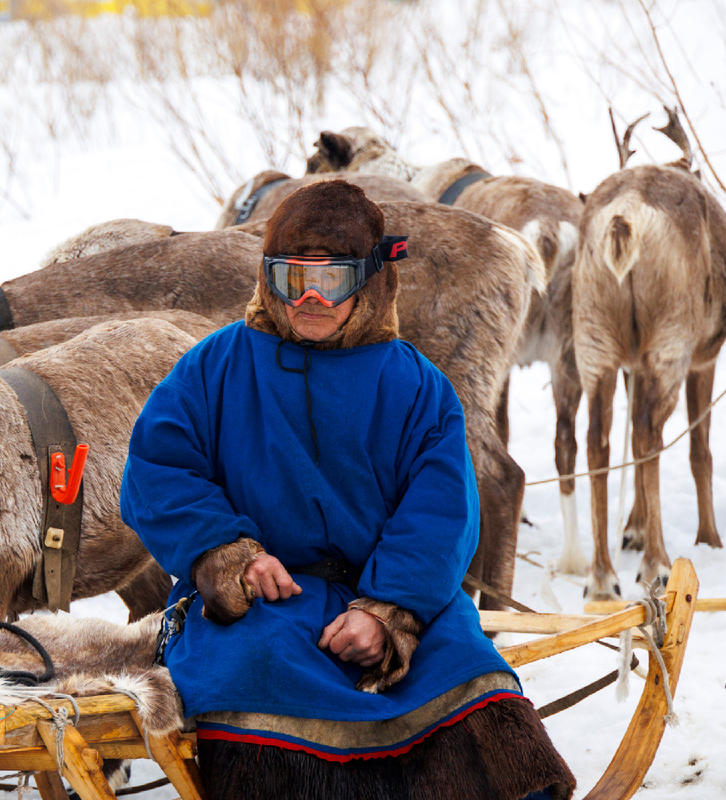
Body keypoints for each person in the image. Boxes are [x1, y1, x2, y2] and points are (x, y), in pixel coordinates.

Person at [120, 180, 575, 800]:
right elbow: (158, 468)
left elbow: (441, 513)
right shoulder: (215, 367)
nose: (307, 298)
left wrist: (390, 610)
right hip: (265, 602)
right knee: (258, 671)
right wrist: (226, 552)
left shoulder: (419, 388)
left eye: (330, 280)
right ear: (265, 279)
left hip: (391, 593)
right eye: (289, 278)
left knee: (465, 671)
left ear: (369, 280)